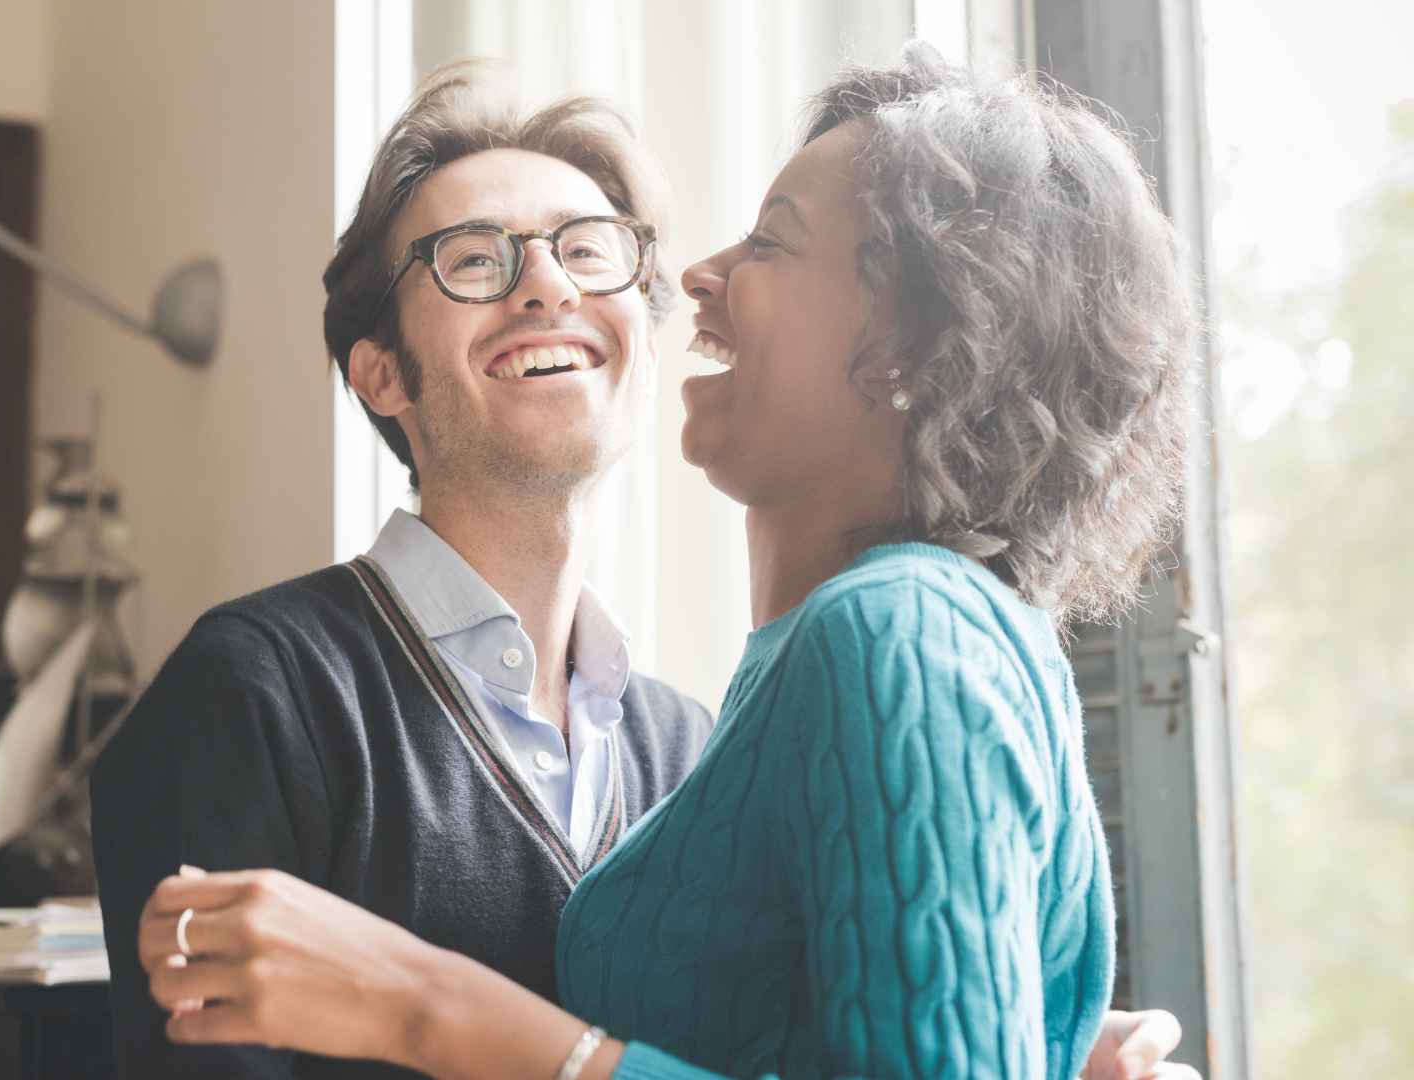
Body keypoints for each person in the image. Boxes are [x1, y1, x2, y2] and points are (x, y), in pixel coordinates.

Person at [133, 46, 1204, 1080]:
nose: (547, 285)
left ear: (640, 344)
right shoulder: (252, 691)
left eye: (590, 249)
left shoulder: (699, 733)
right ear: (381, 376)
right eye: (472, 257)